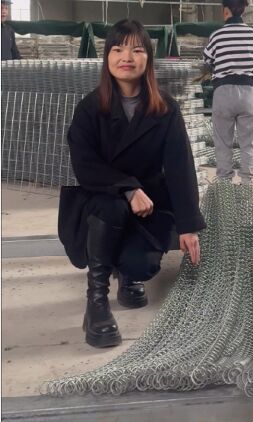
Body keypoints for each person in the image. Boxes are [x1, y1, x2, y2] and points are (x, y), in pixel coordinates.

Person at [58, 19, 206, 348]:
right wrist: (128, 188)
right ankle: (96, 301)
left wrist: (188, 225)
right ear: (107, 58)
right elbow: (84, 165)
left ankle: (128, 275)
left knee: (141, 264)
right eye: (118, 49)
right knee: (111, 206)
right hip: (99, 207)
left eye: (137, 50)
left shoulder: (165, 108)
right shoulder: (90, 108)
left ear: (148, 59)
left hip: (147, 209)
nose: (127, 57)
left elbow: (180, 167)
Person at [203, 0, 253, 185]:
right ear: (243, 11)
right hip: (249, 94)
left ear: (226, 11)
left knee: (223, 142)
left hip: (223, 93)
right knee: (248, 142)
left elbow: (207, 61)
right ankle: (247, 183)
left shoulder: (217, 35)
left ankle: (225, 184)